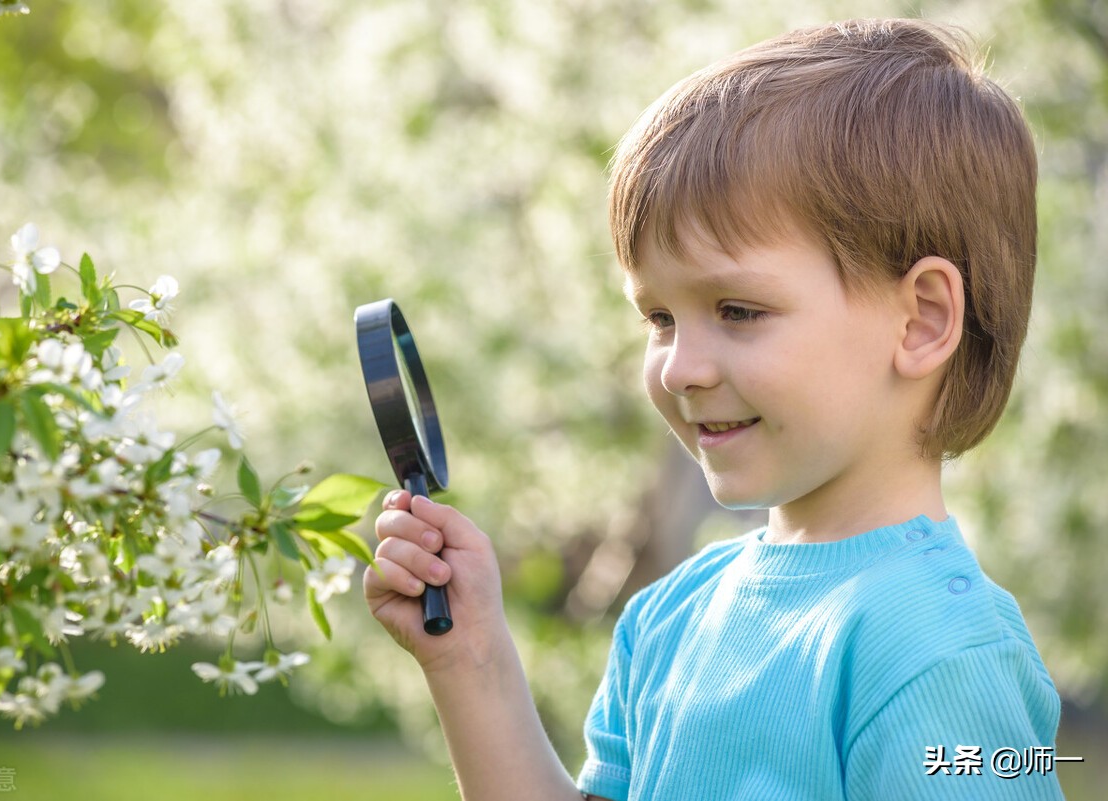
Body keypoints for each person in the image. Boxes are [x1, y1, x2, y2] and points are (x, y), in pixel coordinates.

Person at [363, 17, 1064, 800]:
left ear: (922, 319)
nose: (680, 367)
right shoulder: (669, 615)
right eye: (659, 318)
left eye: (737, 309)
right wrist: (472, 660)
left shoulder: (941, 652)